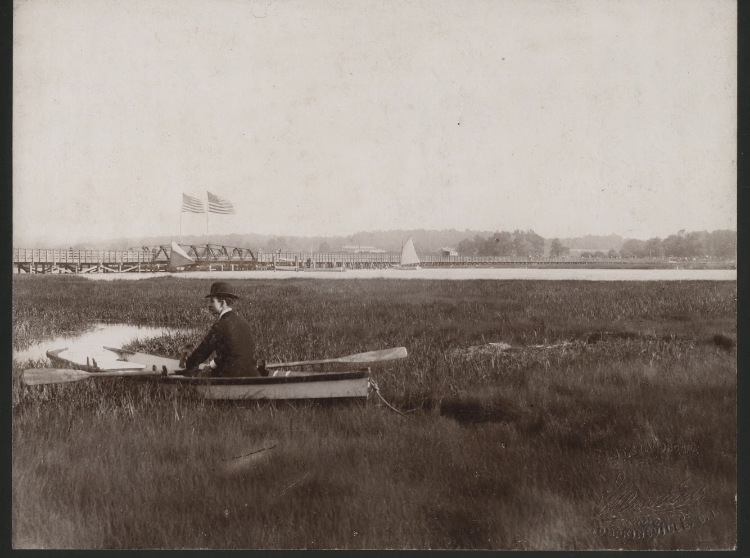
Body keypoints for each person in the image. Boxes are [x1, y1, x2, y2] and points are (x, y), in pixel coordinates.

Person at [179, 281, 260, 377]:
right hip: (253, 374)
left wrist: (189, 365)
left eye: (212, 301)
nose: (208, 305)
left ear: (222, 303)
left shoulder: (220, 325)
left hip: (230, 375)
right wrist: (211, 365)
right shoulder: (244, 323)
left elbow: (203, 351)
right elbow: (234, 353)